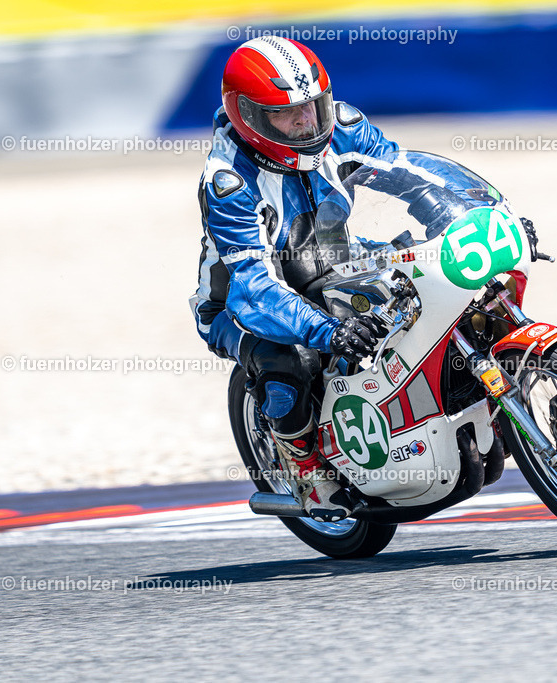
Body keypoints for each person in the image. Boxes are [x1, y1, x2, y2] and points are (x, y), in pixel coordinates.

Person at [189, 36, 397, 522]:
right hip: (240, 303)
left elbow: (404, 172)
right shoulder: (228, 181)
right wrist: (328, 331)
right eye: (288, 114)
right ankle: (306, 469)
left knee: (445, 292)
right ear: (249, 115)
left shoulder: (341, 125)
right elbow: (255, 289)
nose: (307, 122)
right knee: (288, 361)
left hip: (335, 265)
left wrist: (472, 218)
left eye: (313, 105)